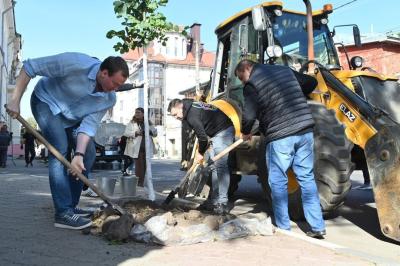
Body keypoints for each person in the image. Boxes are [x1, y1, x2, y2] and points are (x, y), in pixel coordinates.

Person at [6, 52, 129, 230]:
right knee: (60, 148)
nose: (116, 89)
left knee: (88, 154)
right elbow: (29, 67)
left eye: (120, 86)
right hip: (46, 103)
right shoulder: (75, 63)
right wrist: (15, 100)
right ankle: (63, 212)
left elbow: (88, 126)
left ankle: (70, 206)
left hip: (72, 118)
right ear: (103, 73)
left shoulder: (109, 99)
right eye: (115, 83)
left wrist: (78, 155)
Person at [235, 59, 326, 238]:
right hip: (305, 130)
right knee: (307, 178)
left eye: (242, 78)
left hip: (281, 134)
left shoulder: (252, 84)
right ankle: (317, 226)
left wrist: (245, 131)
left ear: (247, 68)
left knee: (277, 180)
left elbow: (249, 114)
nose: (243, 82)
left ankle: (284, 226)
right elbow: (311, 82)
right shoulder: (284, 70)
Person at [168, 99, 235, 215]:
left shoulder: (192, 115)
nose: (176, 117)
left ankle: (222, 203)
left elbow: (202, 137)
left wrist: (200, 152)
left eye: (175, 114)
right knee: (213, 167)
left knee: (221, 167)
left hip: (223, 131)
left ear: (180, 107)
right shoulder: (189, 107)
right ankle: (215, 201)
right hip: (214, 134)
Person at [123, 108, 157, 186]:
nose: (137, 114)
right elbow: (126, 133)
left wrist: (150, 131)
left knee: (145, 166)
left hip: (146, 147)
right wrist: (135, 133)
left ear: (143, 114)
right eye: (136, 112)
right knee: (139, 166)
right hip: (136, 148)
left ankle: (141, 182)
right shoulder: (132, 122)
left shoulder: (148, 122)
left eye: (139, 112)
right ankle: (138, 183)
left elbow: (155, 133)